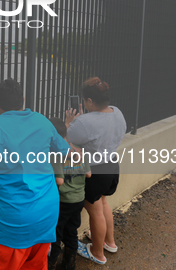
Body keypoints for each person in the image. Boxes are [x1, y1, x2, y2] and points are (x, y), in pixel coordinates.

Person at [0, 78, 71, 270]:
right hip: (46, 216)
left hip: (12, 225)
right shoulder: (42, 121)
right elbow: (65, 152)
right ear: (22, 98)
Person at [64, 77, 126, 265]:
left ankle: (98, 253)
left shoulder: (84, 122)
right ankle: (110, 242)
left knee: (95, 212)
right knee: (104, 203)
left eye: (84, 100)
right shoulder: (117, 112)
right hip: (112, 166)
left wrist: (69, 123)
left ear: (89, 101)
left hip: (94, 171)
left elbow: (68, 141)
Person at [48, 118, 91, 270]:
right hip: (79, 199)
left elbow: (59, 181)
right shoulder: (79, 149)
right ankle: (69, 264)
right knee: (72, 232)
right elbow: (89, 174)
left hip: (63, 202)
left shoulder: (57, 154)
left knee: (56, 234)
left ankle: (51, 264)